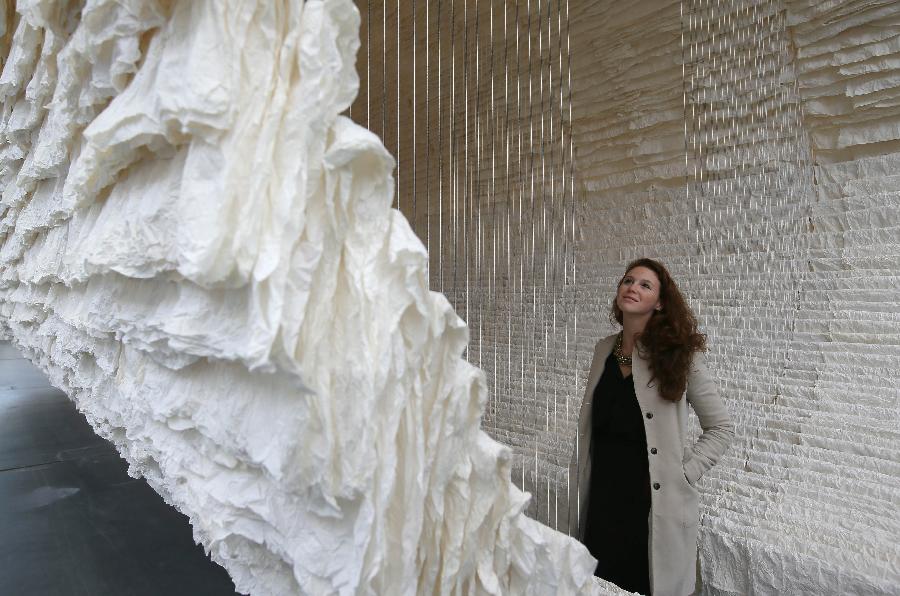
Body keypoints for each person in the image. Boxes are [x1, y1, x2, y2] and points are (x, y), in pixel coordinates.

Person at [568, 258, 734, 595]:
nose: (633, 287)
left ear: (659, 302)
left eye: (645, 284)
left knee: (645, 582)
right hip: (601, 498)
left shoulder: (681, 356)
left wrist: (685, 473)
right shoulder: (603, 350)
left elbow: (721, 427)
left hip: (649, 504)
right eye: (628, 281)